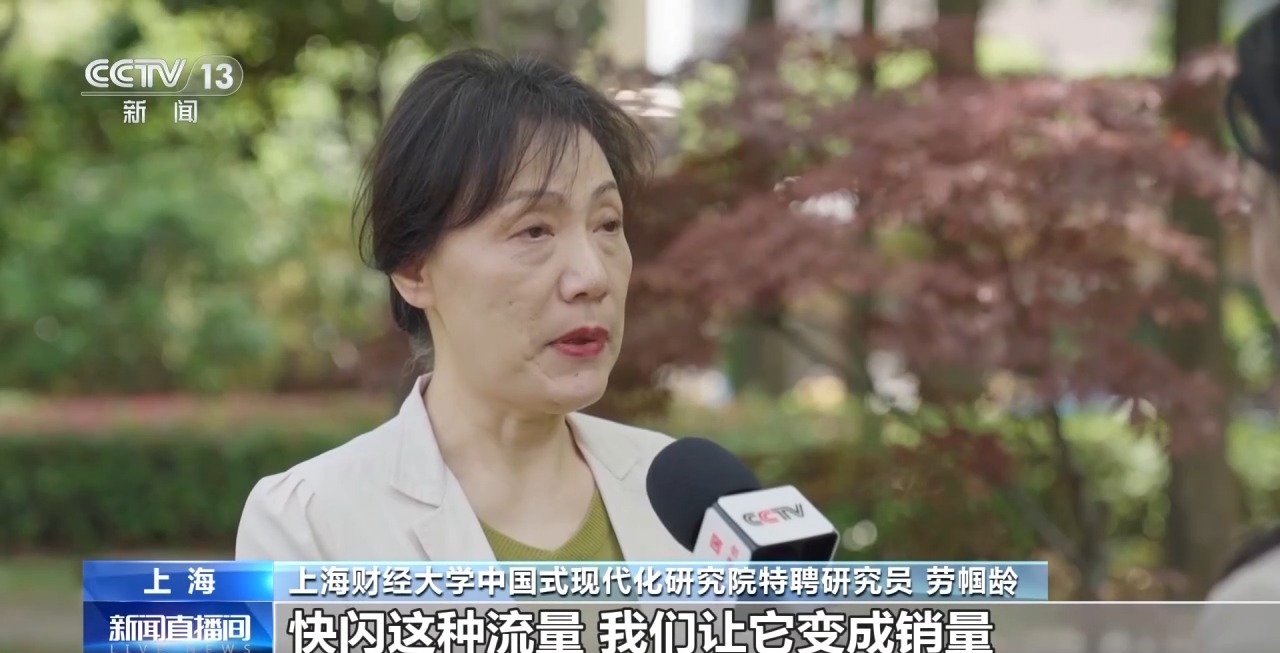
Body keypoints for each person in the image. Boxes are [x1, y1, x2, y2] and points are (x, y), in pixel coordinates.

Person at [234, 49, 691, 562]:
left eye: (607, 224)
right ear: (414, 269)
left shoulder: (687, 500)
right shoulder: (310, 526)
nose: (593, 277)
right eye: (534, 230)